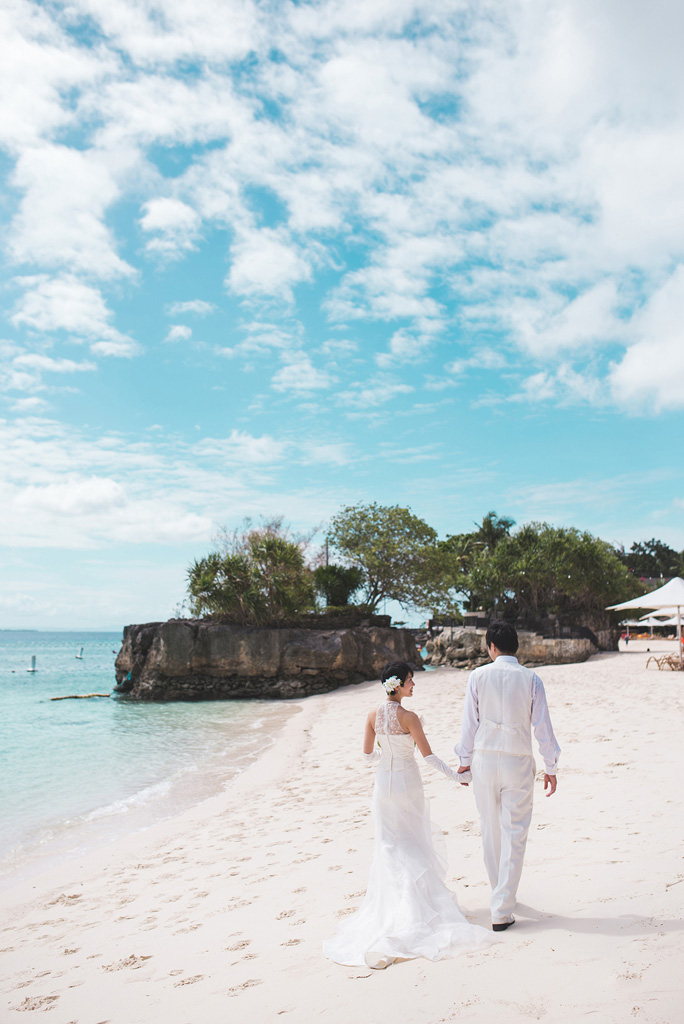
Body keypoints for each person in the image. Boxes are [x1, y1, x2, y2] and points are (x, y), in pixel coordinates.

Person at [323, 660, 493, 970]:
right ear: (398, 685)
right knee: (412, 839)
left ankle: (391, 908)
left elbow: (367, 756)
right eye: (411, 680)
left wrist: (385, 754)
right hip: (408, 784)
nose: (414, 685)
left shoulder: (372, 715)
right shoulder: (409, 717)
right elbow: (428, 757)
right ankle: (416, 907)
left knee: (389, 843)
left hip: (383, 785)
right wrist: (456, 776)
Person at [455, 621, 560, 932]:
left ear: (492, 647)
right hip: (517, 760)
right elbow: (542, 726)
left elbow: (469, 724)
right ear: (516, 646)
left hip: (485, 759)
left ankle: (501, 895)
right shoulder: (531, 679)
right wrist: (551, 766)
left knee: (490, 830)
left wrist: (464, 762)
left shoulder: (477, 676)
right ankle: (502, 905)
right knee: (515, 833)